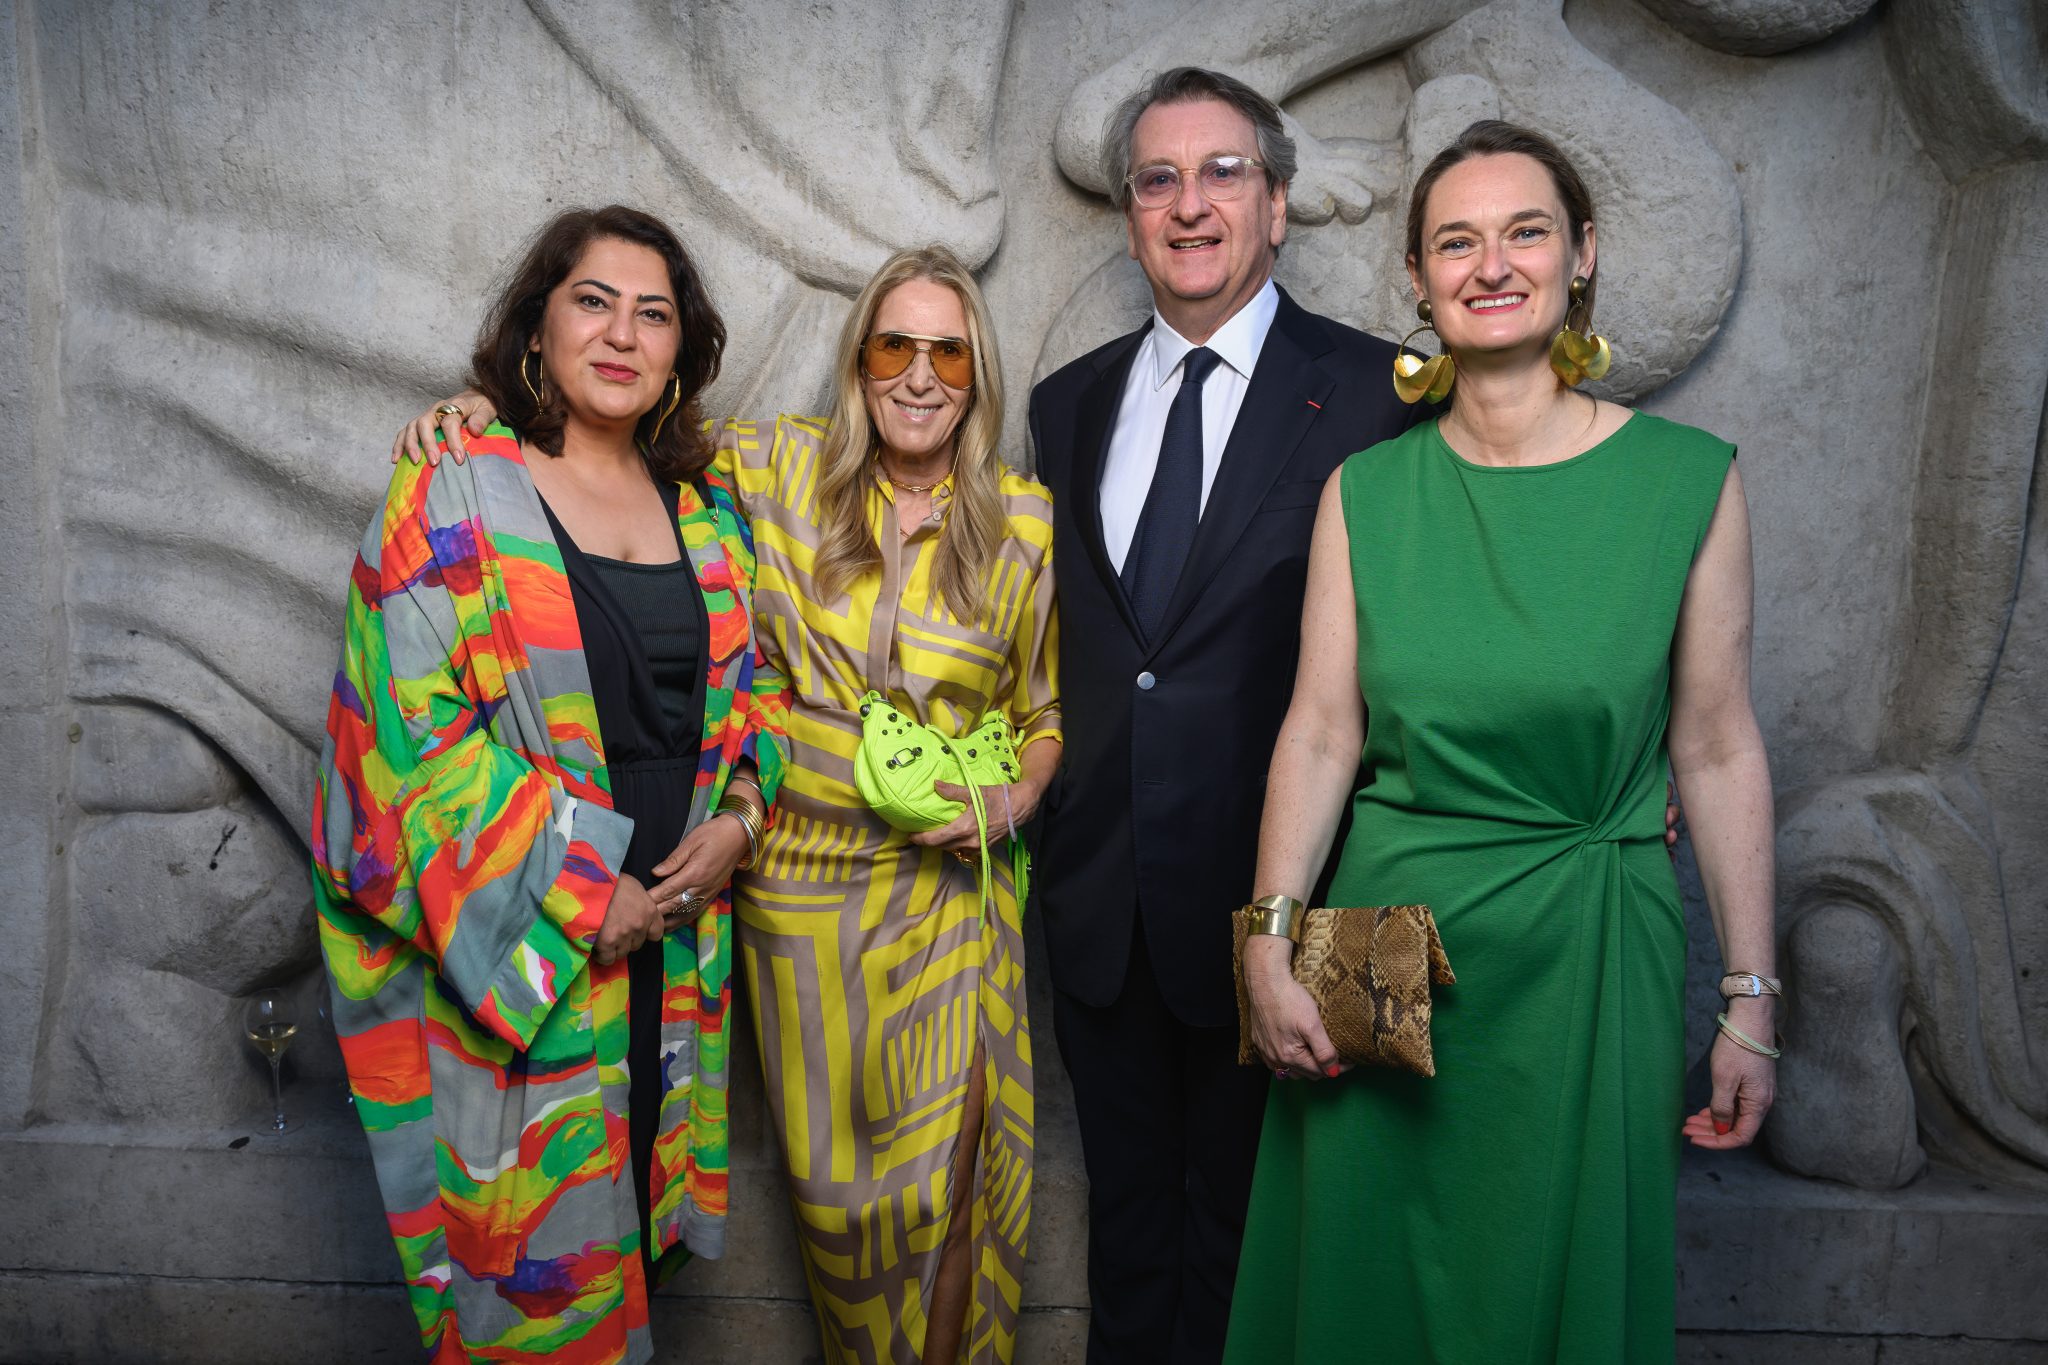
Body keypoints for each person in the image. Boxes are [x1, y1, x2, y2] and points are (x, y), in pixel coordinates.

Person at [394, 244, 1060, 1363]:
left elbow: (1042, 712)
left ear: (977, 372)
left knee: (960, 1181)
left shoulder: (1022, 519)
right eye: (895, 343)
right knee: (847, 1208)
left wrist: (1013, 800)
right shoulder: (769, 471)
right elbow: (618, 438)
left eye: (949, 350)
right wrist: (487, 407)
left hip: (952, 887)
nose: (921, 374)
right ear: (858, 362)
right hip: (799, 895)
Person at [1229, 121, 1778, 1363]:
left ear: (1579, 256)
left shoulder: (1685, 481)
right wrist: (1264, 943)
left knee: (1545, 1291)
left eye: (1523, 231)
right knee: (1363, 1290)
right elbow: (1318, 734)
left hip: (1589, 937)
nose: (1491, 264)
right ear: (1417, 282)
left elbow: (1719, 748)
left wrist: (1750, 1000)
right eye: (1454, 241)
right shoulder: (1364, 494)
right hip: (1382, 938)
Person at [315, 204, 787, 1365]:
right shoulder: (455, 492)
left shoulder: (710, 516)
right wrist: (583, 895)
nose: (622, 334)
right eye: (593, 301)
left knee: (626, 1226)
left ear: (683, 352)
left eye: (655, 313)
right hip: (526, 954)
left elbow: (761, 696)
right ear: (538, 327)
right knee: (530, 1280)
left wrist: (738, 819)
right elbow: (401, 742)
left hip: (674, 945)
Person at [1025, 68, 1414, 1363]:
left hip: (1309, 911)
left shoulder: (1381, 395)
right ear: (1131, 213)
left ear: (1281, 204)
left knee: (1296, 1245)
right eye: (1158, 179)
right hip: (1103, 910)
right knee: (1129, 1236)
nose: (1190, 205)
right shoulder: (1065, 404)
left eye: (1224, 172)